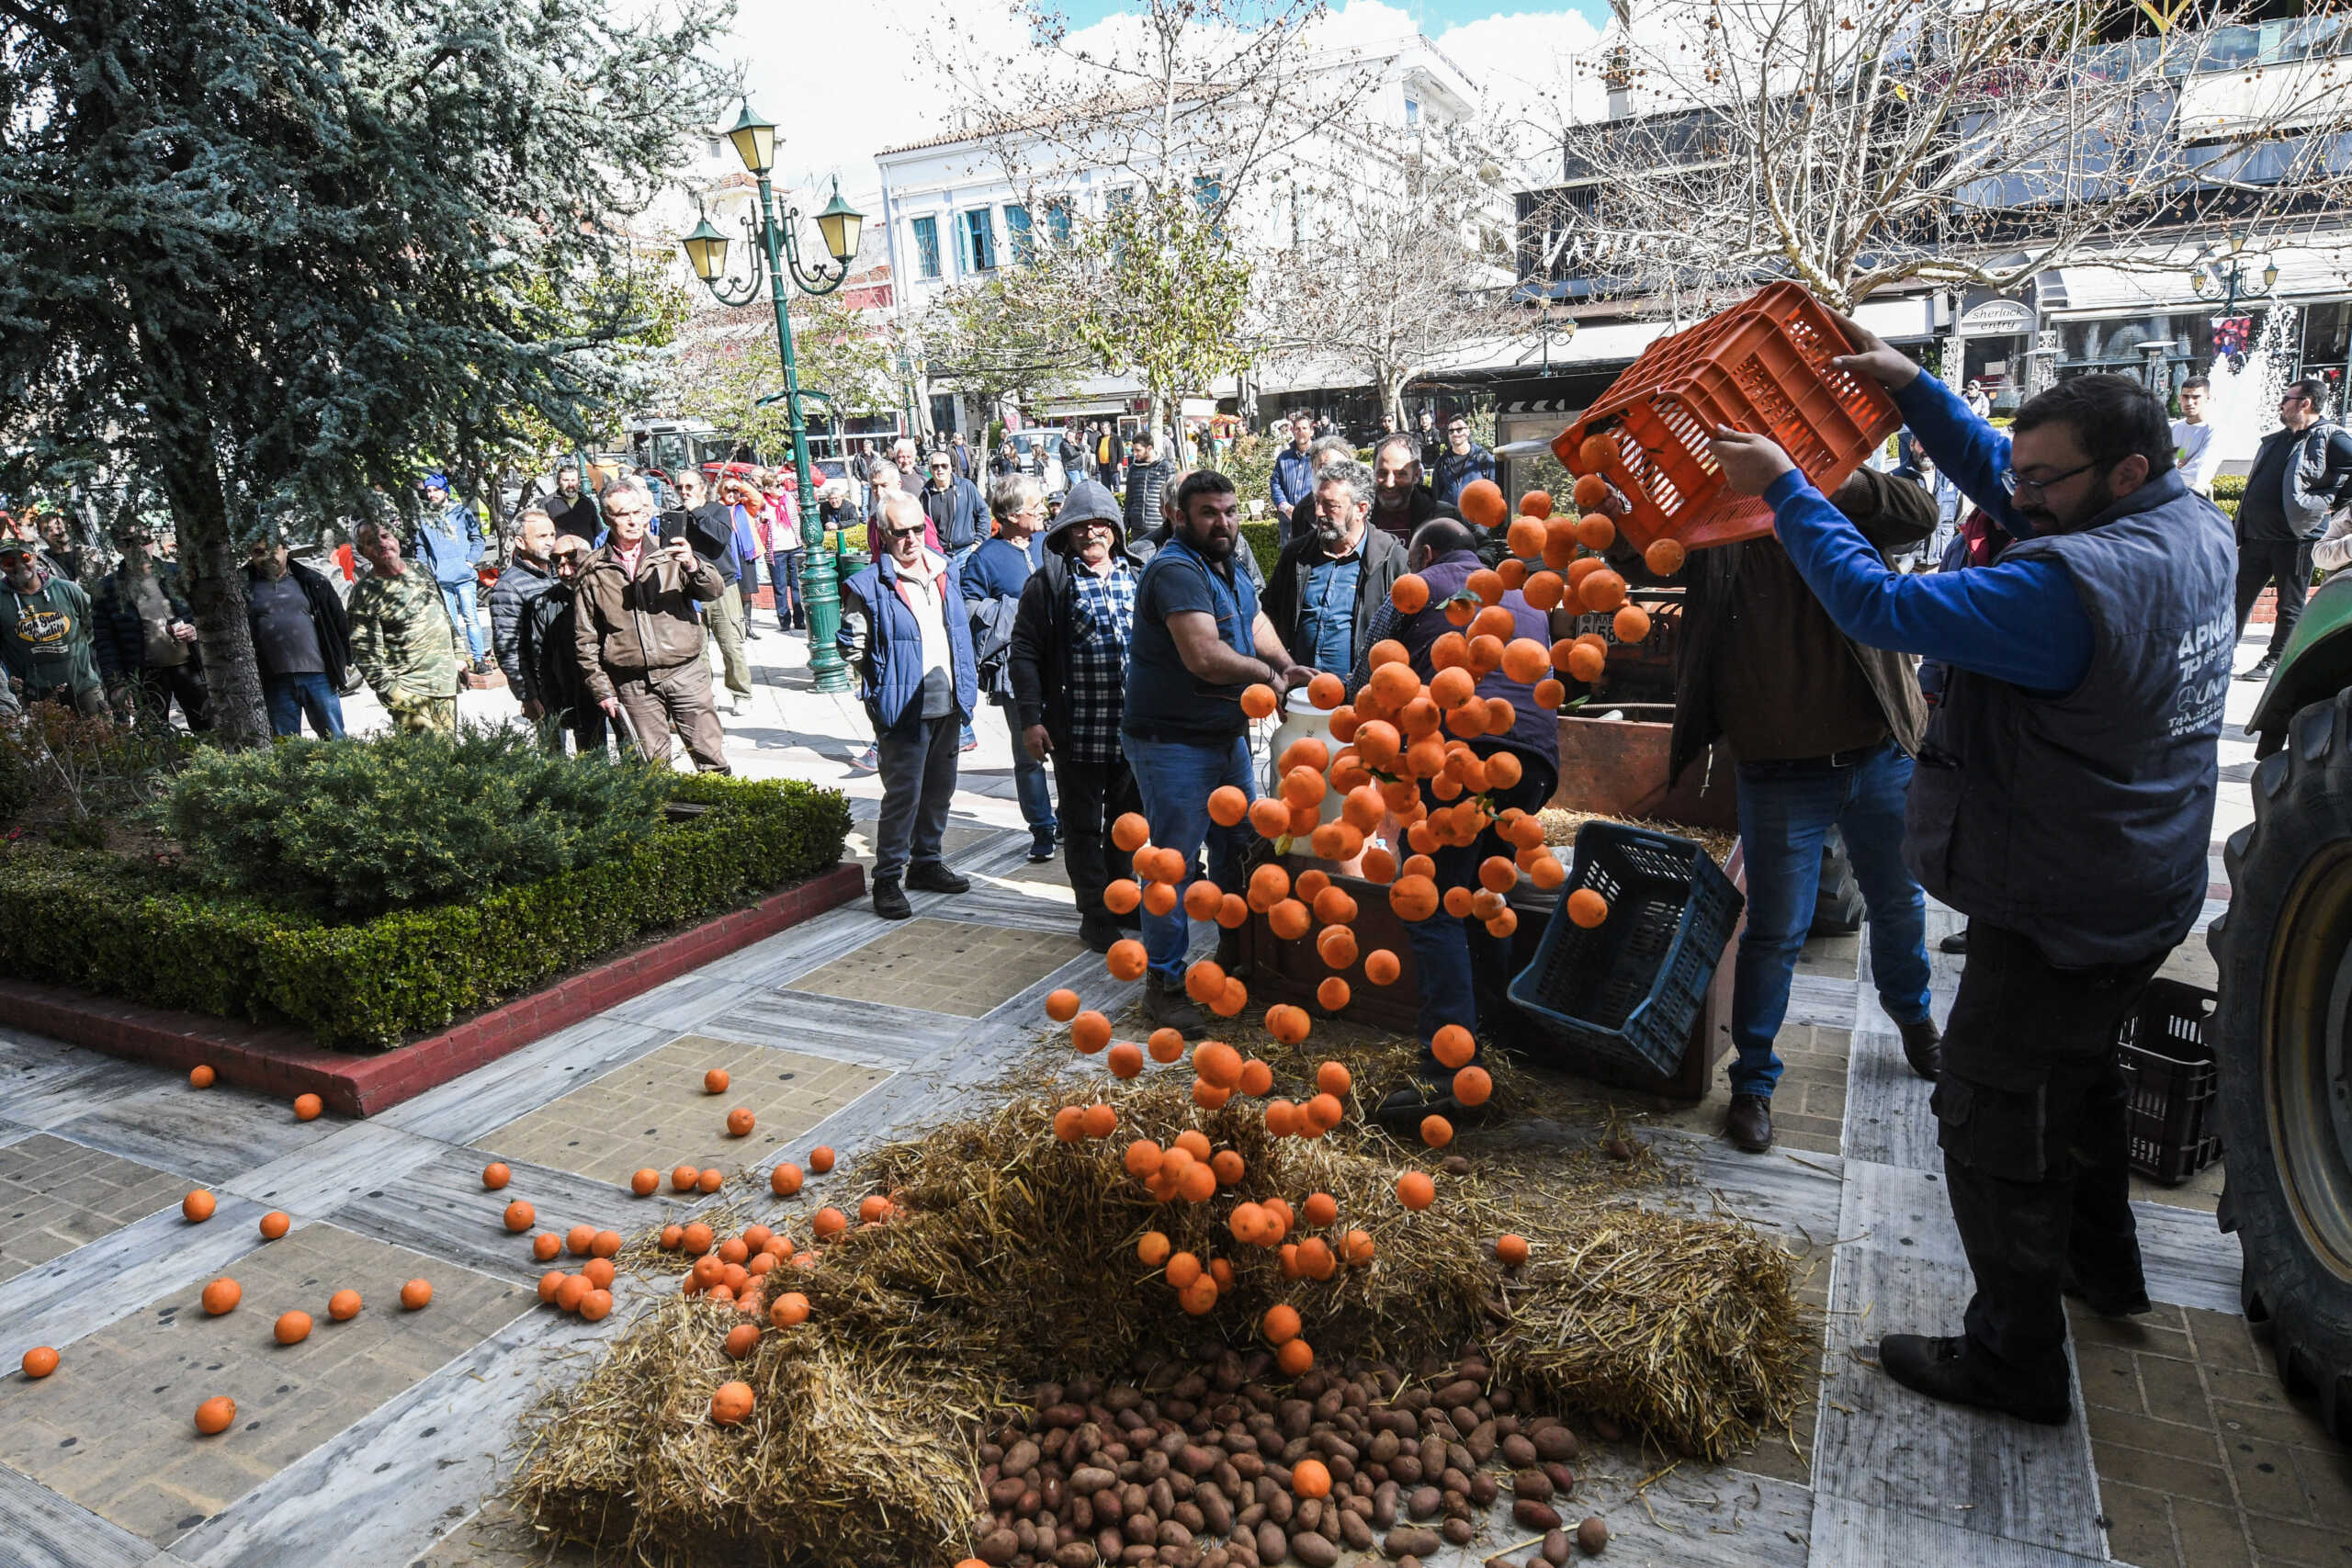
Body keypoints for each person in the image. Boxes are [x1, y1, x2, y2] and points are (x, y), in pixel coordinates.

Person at [1711, 314, 2233, 1427]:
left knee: (1991, 1114)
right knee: (2083, 1081)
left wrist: (1791, 493)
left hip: (2060, 894)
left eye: (2047, 478)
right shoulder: (2187, 525)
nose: (2019, 492)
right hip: (2144, 879)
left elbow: (1881, 605)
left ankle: (2012, 1357)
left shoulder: (2064, 590)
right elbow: (2004, 474)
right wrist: (1916, 391)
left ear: (2124, 469)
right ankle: (2104, 1270)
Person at [1668, 464, 1943, 1155]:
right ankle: (1754, 1083)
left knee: (1899, 899)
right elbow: (1641, 549)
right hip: (1780, 771)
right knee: (1776, 931)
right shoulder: (1713, 517)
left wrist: (1818, 477)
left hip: (1876, 752)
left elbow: (1919, 512)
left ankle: (1914, 1019)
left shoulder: (1831, 492)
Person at [1351, 516, 1566, 1126]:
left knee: (1435, 902)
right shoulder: (1519, 590)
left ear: (1423, 552)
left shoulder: (1413, 591)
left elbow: (1368, 683)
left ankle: (1447, 1070)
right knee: (1486, 892)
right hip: (1530, 764)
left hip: (1457, 759)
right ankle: (1492, 1037)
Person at [1123, 470, 1309, 1034]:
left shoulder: (1226, 561)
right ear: (1179, 516)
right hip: (1171, 741)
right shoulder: (1176, 568)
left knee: (1238, 849)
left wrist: (1284, 664)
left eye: (1229, 510)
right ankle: (1165, 982)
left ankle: (1234, 958)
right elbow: (1204, 655)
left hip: (1221, 735)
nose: (1223, 522)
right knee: (1173, 865)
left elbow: (1253, 621)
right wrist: (1268, 678)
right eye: (1209, 512)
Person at [1012, 479, 1145, 953]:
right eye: (1081, 526)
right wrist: (1032, 718)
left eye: (1101, 524)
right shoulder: (1049, 584)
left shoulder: (1140, 573)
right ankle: (1095, 913)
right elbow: (1023, 651)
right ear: (1066, 533)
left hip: (1133, 733)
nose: (1092, 534)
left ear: (1114, 528)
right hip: (1078, 731)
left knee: (1128, 824)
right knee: (1083, 827)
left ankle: (1125, 902)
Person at [841, 492, 978, 919]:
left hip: (949, 703)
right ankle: (887, 878)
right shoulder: (868, 584)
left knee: (939, 792)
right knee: (903, 797)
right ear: (883, 535)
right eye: (900, 532)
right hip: (902, 710)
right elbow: (853, 647)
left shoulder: (945, 570)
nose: (912, 539)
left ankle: (927, 863)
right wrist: (880, 692)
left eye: (918, 529)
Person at [573, 475, 731, 772]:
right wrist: (602, 689)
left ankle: (724, 813)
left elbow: (714, 590)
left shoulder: (670, 552)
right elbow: (585, 638)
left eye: (638, 513)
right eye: (623, 515)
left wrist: (693, 564)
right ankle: (666, 818)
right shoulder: (593, 569)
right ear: (608, 518)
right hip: (633, 684)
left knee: (711, 758)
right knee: (652, 769)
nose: (634, 522)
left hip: (685, 673)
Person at [2230, 378, 2352, 682]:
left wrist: (2336, 502)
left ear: (2305, 403)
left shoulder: (2330, 438)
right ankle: (2223, 652)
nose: (2281, 405)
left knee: (2289, 604)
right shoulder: (2282, 438)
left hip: (2297, 539)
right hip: (2257, 537)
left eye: (2287, 399)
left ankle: (2275, 660)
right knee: (2236, 597)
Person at [966, 472, 1058, 863]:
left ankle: (1071, 820)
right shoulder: (983, 559)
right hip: (1014, 670)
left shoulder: (1049, 543)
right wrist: (1016, 611)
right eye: (1035, 506)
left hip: (1061, 666)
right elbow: (969, 607)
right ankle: (1042, 828)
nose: (1042, 511)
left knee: (1068, 748)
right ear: (1013, 514)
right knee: (1029, 754)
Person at [1266, 458, 1405, 677]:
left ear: (1361, 509)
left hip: (1363, 701)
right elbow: (1266, 618)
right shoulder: (1296, 556)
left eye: (1330, 505)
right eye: (1317, 502)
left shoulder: (1393, 562)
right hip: (1301, 698)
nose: (1319, 512)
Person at [346, 520, 464, 735]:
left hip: (444, 683)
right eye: (371, 542)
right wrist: (393, 692)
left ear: (396, 539)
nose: (382, 544)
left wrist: (460, 654)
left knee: (450, 758)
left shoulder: (419, 569)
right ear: (363, 552)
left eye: (385, 536)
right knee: (424, 761)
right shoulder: (364, 592)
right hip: (409, 691)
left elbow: (443, 612)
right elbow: (364, 653)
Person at [92, 525, 208, 730]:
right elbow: (104, 642)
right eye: (128, 542)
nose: (138, 548)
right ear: (118, 547)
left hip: (189, 667)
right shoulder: (107, 588)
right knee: (155, 735)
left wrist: (194, 630)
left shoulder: (177, 574)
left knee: (207, 728)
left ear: (153, 542)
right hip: (145, 675)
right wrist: (116, 684)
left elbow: (205, 615)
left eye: (143, 540)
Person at [244, 534, 351, 739]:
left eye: (272, 550)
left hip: (319, 677)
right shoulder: (243, 587)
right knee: (287, 745)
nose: (266, 557)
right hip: (274, 682)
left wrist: (345, 659)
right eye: (258, 552)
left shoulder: (312, 581)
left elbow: (339, 622)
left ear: (285, 549)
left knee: (335, 739)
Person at [517, 534, 607, 756]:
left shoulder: (611, 591)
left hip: (620, 690)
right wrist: (541, 698)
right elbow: (539, 656)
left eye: (572, 563)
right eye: (558, 564)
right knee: (592, 762)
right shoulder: (546, 603)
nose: (565, 572)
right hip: (577, 694)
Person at [679, 474, 756, 715]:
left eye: (690, 486)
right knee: (697, 649)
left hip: (723, 586)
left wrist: (697, 512)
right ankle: (704, 695)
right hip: (691, 590)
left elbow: (721, 537)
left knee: (730, 644)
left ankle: (741, 693)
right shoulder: (677, 515)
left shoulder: (717, 511)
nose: (684, 491)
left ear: (703, 489)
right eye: (680, 487)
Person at [0, 541, 106, 715]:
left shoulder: (68, 590)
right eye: (9, 563)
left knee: (104, 740)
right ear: (2, 567)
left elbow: (92, 628)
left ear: (34, 557)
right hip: (35, 697)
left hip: (84, 687)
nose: (19, 566)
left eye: (24, 558)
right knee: (53, 742)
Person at [486, 505, 562, 741]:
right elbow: (508, 648)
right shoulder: (509, 588)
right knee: (553, 755)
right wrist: (527, 696)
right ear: (520, 542)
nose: (550, 542)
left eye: (552, 535)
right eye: (541, 536)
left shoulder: (559, 573)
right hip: (542, 688)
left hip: (570, 679)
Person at [413, 473, 490, 672]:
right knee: (449, 622)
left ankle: (479, 659)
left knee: (471, 618)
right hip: (441, 578)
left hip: (464, 576)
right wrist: (426, 571)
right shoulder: (425, 518)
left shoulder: (461, 513)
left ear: (445, 491)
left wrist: (470, 562)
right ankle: (457, 662)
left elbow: (478, 539)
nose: (432, 495)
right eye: (428, 491)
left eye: (436, 490)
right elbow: (421, 547)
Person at [1367, 434, 1461, 545]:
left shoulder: (1444, 516)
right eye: (1382, 473)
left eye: (1400, 474)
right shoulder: (1357, 515)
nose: (1389, 483)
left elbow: (1484, 547)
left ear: (1416, 475)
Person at [918, 448, 989, 578]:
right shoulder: (925, 496)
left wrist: (979, 542)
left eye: (944, 466)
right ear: (930, 470)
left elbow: (983, 512)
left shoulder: (966, 487)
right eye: (935, 466)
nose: (940, 470)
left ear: (951, 468)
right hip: (941, 557)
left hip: (966, 553)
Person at [1280, 435, 1360, 545]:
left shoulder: (1364, 502)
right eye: (1322, 467)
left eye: (1335, 467)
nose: (1328, 473)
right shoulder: (1302, 510)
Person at [2170, 376, 2223, 498]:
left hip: (2192, 500)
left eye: (2196, 397)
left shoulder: (2215, 432)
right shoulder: (2170, 428)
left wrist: (2172, 467)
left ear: (2208, 398)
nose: (2189, 402)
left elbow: (2197, 476)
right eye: (2185, 397)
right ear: (2179, 398)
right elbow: (2154, 469)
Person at [766, 470, 806, 632]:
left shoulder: (788, 498)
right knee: (780, 586)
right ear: (767, 489)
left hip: (794, 546)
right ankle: (784, 620)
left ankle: (799, 619)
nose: (781, 488)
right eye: (777, 486)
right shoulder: (762, 503)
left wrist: (789, 476)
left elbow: (806, 488)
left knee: (797, 585)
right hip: (776, 550)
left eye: (782, 485)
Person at [1430, 414, 1495, 510]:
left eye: (1459, 429)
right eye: (1451, 431)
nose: (1455, 434)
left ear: (1467, 431)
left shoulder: (1483, 458)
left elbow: (1495, 490)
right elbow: (1435, 496)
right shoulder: (1441, 462)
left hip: (1478, 519)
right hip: (1451, 519)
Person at [1121, 431, 1175, 538]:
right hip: (1137, 528)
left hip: (1159, 528)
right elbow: (1129, 499)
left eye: (1138, 450)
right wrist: (1125, 527)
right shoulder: (1133, 469)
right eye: (1133, 450)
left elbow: (1173, 499)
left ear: (1149, 448)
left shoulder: (1166, 467)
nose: (1135, 453)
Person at [36, 513, 99, 596]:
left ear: (66, 526)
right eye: (48, 530)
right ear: (41, 536)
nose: (56, 532)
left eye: (58, 526)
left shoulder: (91, 553)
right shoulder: (40, 564)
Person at [1270, 412, 1317, 518]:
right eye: (1297, 429)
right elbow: (1275, 484)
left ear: (1312, 432)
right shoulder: (1283, 458)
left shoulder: (1320, 457)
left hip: (1312, 520)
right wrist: (1285, 507)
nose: (1301, 432)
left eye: (1304, 428)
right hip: (1288, 521)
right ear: (1293, 431)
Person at [545, 464, 600, 539]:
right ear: (558, 482)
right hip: (560, 550)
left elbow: (598, 530)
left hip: (586, 549)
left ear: (579, 482)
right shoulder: (547, 503)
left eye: (573, 480)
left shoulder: (587, 503)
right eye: (566, 480)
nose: (570, 484)